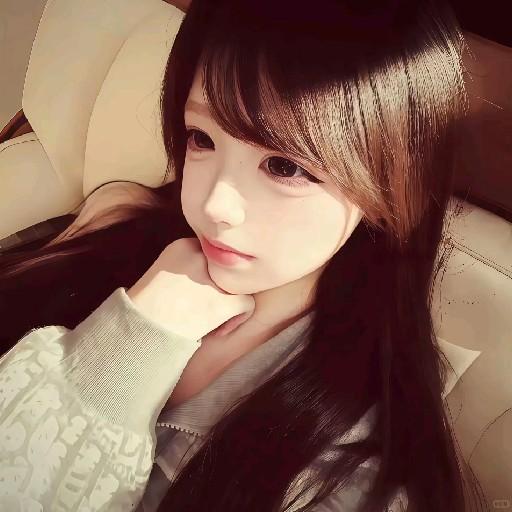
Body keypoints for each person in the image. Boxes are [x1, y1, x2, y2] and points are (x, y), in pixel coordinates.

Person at [0, 0, 490, 510]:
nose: (215, 204)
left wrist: (132, 342)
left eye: (284, 166)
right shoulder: (118, 220)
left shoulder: (347, 479)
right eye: (201, 138)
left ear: (394, 181)